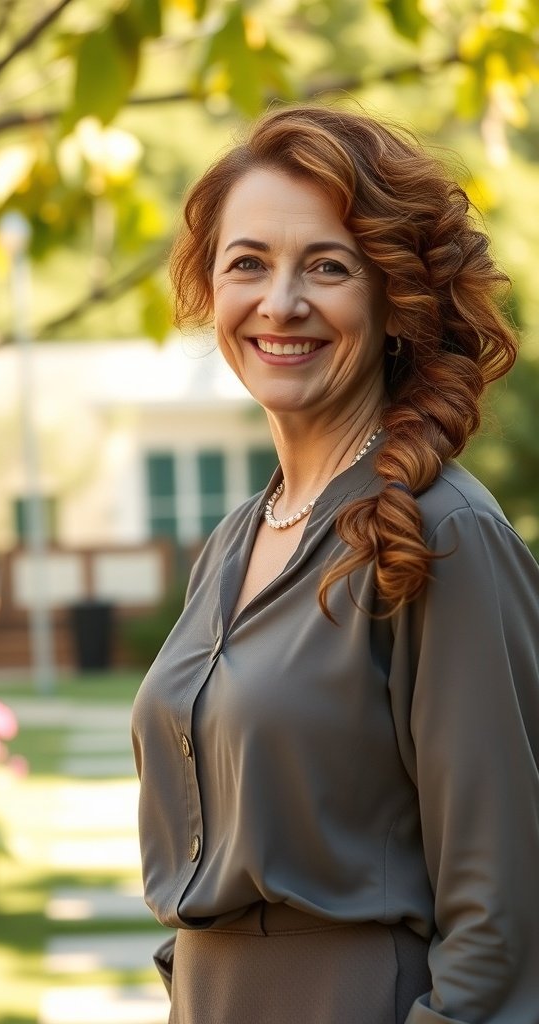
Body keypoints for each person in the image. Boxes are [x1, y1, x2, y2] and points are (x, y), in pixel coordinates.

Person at [131, 104, 539, 1023]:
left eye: (327, 266)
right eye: (248, 264)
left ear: (396, 298)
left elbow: (503, 910)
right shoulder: (234, 541)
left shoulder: (444, 534)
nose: (281, 303)